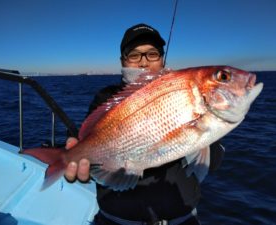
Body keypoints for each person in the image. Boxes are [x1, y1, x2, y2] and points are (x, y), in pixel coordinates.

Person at [65, 23, 225, 225]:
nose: (143, 62)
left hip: (181, 219)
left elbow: (214, 161)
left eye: (152, 54)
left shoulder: (183, 95)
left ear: (162, 59)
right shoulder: (107, 98)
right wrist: (78, 159)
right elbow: (88, 142)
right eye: (134, 55)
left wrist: (206, 130)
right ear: (122, 60)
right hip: (116, 220)